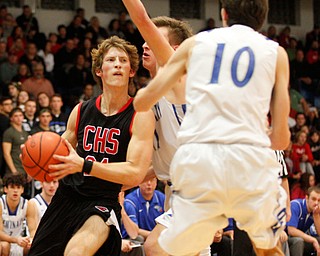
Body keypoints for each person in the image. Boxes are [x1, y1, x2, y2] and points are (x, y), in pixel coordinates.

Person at [133, 0, 291, 255]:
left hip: (199, 162)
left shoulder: (196, 44)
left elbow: (142, 102)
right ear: (263, 19)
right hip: (249, 160)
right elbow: (282, 140)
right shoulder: (276, 53)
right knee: (268, 247)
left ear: (223, 14)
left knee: (169, 249)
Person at [28, 36, 155, 255]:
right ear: (99, 70)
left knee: (76, 252)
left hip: (102, 202)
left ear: (131, 71)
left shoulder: (140, 113)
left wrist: (85, 165)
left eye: (123, 61)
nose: (117, 64)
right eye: (111, 59)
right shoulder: (80, 111)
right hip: (67, 196)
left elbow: (135, 172)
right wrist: (32, 156)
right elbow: (56, 155)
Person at [122, 1, 197, 255]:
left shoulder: (180, 76)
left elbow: (141, 17)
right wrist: (121, 183)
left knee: (155, 246)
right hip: (174, 186)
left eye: (152, 39)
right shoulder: (154, 92)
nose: (144, 43)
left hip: (197, 184)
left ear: (172, 50)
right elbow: (163, 162)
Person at [0, 174, 38, 256]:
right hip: (4, 241)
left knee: (33, 246)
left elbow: (33, 230)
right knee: (4, 246)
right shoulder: (0, 204)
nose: (15, 191)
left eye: (18, 187)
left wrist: (31, 240)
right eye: (12, 187)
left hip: (20, 242)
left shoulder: (28, 205)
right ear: (5, 189)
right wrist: (15, 240)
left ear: (22, 190)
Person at [287, 185, 320, 256]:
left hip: (299, 237)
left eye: (319, 200)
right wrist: (313, 240)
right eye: (314, 199)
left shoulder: (314, 211)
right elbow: (291, 230)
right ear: (307, 198)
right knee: (299, 241)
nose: (316, 203)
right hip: (285, 237)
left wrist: (316, 215)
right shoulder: (296, 205)